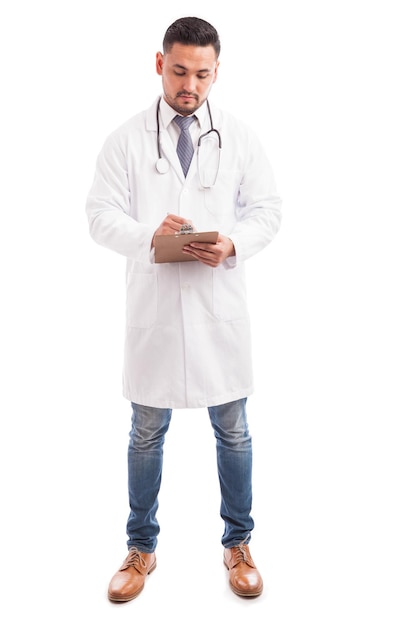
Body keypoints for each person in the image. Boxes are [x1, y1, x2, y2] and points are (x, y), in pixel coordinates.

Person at [85, 16, 282, 601]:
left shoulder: (240, 138)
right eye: (178, 71)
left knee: (235, 431)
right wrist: (151, 234)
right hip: (156, 319)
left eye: (201, 73)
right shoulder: (125, 139)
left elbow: (268, 209)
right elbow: (99, 215)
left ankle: (238, 543)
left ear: (216, 71)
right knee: (146, 432)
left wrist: (233, 244)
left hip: (220, 312)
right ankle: (140, 549)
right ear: (158, 65)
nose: (188, 85)